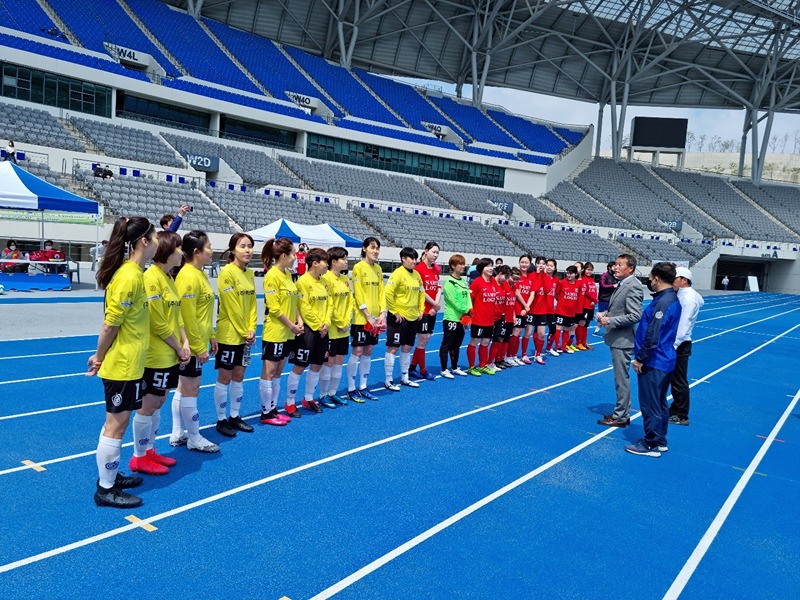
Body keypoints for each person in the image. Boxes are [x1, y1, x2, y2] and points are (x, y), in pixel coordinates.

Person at [87, 216, 158, 508]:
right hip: (123, 364)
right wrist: (99, 355)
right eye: (154, 238)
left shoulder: (134, 273)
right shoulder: (129, 277)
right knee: (115, 425)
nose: (157, 244)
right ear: (143, 242)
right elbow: (110, 324)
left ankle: (111, 478)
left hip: (132, 363)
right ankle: (105, 490)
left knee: (119, 422)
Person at [130, 231, 191, 475]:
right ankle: (138, 456)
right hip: (156, 353)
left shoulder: (168, 278)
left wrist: (184, 342)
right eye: (178, 249)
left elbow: (176, 317)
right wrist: (178, 346)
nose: (181, 253)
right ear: (166, 250)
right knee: (149, 404)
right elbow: (157, 320)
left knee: (160, 401)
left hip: (171, 352)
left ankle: (150, 449)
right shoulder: (151, 278)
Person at [170, 230, 220, 453]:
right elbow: (187, 317)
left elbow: (203, 311)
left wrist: (211, 335)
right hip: (191, 343)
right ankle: (194, 437)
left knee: (183, 387)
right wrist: (198, 347)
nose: (212, 251)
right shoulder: (188, 276)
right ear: (196, 252)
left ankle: (178, 431)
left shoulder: (200, 274)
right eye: (208, 246)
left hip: (199, 338)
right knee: (191, 388)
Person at [626, 262, 682, 457]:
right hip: (664, 360)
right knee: (659, 403)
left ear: (656, 279)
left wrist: (640, 358)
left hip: (654, 361)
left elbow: (653, 334)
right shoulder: (670, 298)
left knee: (650, 404)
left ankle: (650, 443)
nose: (649, 281)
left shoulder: (663, 302)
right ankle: (660, 439)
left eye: (650, 278)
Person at [213, 233, 257, 437]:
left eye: (250, 246)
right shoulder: (227, 273)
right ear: (233, 250)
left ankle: (235, 416)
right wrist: (243, 330)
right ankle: (221, 419)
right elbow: (231, 306)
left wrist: (252, 328)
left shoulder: (249, 273)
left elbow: (253, 304)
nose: (247, 250)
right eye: (243, 246)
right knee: (225, 376)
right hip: (230, 334)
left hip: (245, 334)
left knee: (239, 375)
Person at [596, 254, 644, 428]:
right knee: (620, 378)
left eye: (619, 264)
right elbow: (619, 309)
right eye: (615, 264)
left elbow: (634, 315)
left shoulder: (633, 287)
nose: (615, 267)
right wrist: (606, 315)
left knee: (621, 378)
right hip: (617, 338)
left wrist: (610, 321)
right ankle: (622, 412)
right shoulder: (623, 284)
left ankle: (621, 415)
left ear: (630, 268)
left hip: (623, 340)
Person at [259, 238, 302, 424]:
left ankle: (273, 408)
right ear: (284, 255)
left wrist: (298, 321)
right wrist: (291, 325)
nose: (295, 258)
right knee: (269, 372)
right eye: (293, 254)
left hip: (288, 332)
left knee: (278, 372)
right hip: (276, 331)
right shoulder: (272, 276)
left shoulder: (287, 274)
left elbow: (294, 301)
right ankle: (265, 413)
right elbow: (275, 308)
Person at [286, 247, 331, 413]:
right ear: (315, 263)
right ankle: (290, 401)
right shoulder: (302, 282)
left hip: (324, 330)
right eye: (325, 262)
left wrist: (326, 323)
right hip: (308, 331)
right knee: (300, 365)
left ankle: (309, 398)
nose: (327, 265)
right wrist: (319, 325)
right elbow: (303, 307)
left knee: (318, 364)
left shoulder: (325, 282)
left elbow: (329, 305)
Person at [346, 237, 385, 402]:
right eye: (372, 247)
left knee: (369, 351)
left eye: (377, 248)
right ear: (364, 249)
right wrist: (368, 316)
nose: (375, 251)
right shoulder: (358, 267)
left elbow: (382, 292)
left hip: (376, 319)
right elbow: (359, 293)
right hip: (362, 318)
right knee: (358, 351)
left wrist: (383, 314)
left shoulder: (378, 269)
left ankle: (363, 386)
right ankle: (351, 388)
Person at [383, 247, 425, 391]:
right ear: (403, 259)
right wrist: (395, 312)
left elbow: (421, 292)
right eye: (411, 258)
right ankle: (388, 380)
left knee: (407, 347)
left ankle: (404, 377)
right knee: (393, 348)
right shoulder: (397, 274)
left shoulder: (417, 275)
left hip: (413, 317)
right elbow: (388, 293)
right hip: (399, 318)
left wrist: (421, 310)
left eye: (415, 258)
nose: (414, 261)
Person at [669, 266, 704, 426]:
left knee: (678, 380)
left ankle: (681, 414)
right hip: (678, 342)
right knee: (675, 379)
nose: (672, 281)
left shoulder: (688, 298)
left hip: (680, 343)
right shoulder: (685, 294)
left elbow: (683, 326)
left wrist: (673, 345)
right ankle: (676, 409)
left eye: (675, 278)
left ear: (684, 280)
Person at [319, 246, 354, 404]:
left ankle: (333, 393)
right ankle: (322, 395)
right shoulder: (325, 279)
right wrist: (340, 322)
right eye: (344, 259)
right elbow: (329, 305)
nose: (346, 262)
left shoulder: (346, 280)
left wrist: (347, 322)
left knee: (339, 360)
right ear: (334, 261)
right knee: (329, 361)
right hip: (332, 329)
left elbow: (350, 302)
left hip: (344, 329)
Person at [409, 241, 441, 380]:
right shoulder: (419, 269)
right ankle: (422, 370)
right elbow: (421, 291)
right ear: (426, 251)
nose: (435, 255)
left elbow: (438, 288)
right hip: (423, 310)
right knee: (423, 340)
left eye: (437, 253)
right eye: (433, 252)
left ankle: (412, 368)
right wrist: (433, 304)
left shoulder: (436, 270)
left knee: (425, 340)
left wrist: (435, 305)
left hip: (433, 310)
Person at [439, 253, 471, 378]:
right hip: (451, 318)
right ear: (453, 266)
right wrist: (466, 309)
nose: (463, 266)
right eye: (460, 264)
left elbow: (467, 297)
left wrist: (470, 308)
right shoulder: (449, 283)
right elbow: (454, 301)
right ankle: (444, 369)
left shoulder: (463, 281)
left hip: (462, 319)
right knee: (447, 344)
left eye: (464, 264)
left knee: (457, 344)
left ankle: (454, 367)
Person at [467, 258, 501, 376]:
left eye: (492, 266)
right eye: (488, 266)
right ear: (482, 269)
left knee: (486, 342)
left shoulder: (492, 282)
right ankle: (471, 367)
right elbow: (470, 298)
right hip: (478, 319)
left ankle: (482, 366)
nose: (491, 268)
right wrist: (470, 313)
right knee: (474, 341)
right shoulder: (477, 282)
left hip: (490, 319)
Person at [509, 255, 534, 365]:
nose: (524, 264)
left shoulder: (530, 277)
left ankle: (514, 355)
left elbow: (532, 293)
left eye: (526, 262)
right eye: (522, 262)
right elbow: (517, 292)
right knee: (515, 332)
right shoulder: (516, 275)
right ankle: (509, 355)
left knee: (519, 333)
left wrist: (527, 307)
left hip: (525, 310)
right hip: (517, 308)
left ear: (529, 264)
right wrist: (525, 306)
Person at [491, 265, 515, 370]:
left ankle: (498, 360)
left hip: (501, 316)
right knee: (486, 340)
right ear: (500, 274)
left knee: (500, 338)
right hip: (491, 316)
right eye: (506, 276)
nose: (507, 279)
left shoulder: (503, 284)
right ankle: (488, 362)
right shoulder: (492, 283)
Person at [528, 256, 550, 365]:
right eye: (539, 263)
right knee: (528, 333)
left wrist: (544, 275)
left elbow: (547, 289)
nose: (541, 265)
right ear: (535, 264)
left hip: (542, 310)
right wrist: (537, 275)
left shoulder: (547, 277)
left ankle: (538, 354)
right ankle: (523, 354)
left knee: (541, 334)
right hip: (532, 310)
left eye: (543, 263)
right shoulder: (531, 276)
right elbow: (534, 289)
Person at [554, 265, 580, 354]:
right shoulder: (562, 283)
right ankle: (557, 346)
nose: (569, 275)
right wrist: (561, 302)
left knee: (567, 329)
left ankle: (564, 346)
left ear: (576, 274)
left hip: (571, 312)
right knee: (558, 328)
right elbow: (556, 294)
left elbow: (578, 296)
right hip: (560, 311)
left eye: (571, 273)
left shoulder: (578, 284)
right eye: (568, 273)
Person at [575, 262, 597, 350]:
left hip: (591, 305)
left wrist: (594, 300)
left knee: (586, 324)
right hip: (585, 304)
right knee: (582, 323)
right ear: (584, 269)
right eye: (588, 269)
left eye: (591, 270)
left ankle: (584, 342)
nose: (589, 271)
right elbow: (586, 292)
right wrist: (594, 300)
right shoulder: (583, 279)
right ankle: (579, 342)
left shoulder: (591, 279)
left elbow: (594, 291)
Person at [593, 262, 617, 337]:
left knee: (609, 315)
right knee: (602, 315)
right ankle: (597, 331)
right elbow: (603, 285)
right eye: (614, 266)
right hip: (604, 298)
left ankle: (603, 331)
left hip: (610, 299)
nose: (615, 268)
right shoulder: (604, 276)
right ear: (609, 267)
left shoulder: (614, 277)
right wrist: (613, 286)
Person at [543, 259, 560, 357]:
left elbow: (557, 295)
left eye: (551, 266)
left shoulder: (556, 280)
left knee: (553, 329)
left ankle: (549, 348)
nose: (549, 267)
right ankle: (538, 351)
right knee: (539, 331)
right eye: (547, 265)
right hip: (541, 309)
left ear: (554, 268)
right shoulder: (542, 277)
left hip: (550, 309)